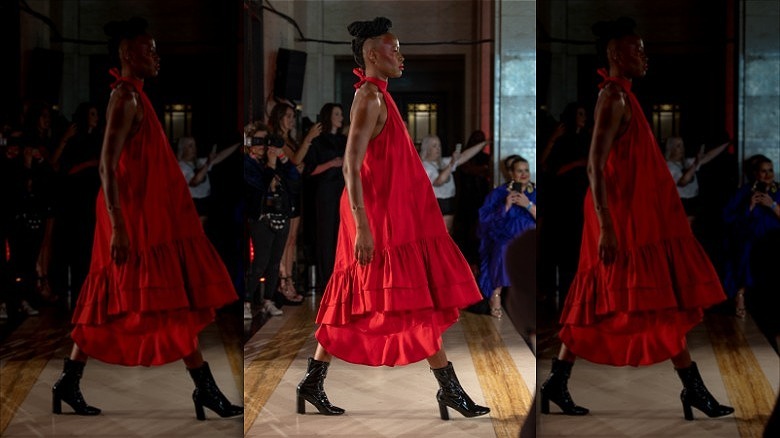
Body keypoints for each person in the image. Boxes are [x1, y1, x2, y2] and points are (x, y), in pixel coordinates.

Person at [295, 17, 489, 420]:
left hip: (394, 213)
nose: (401, 55)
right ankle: (448, 388)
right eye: (393, 48)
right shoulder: (369, 96)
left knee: (375, 297)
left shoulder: (380, 96)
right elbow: (350, 164)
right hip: (377, 217)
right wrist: (363, 224)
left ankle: (313, 381)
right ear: (371, 54)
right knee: (402, 295)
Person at [540, 17, 733, 421]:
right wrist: (607, 223)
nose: (645, 56)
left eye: (644, 49)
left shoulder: (624, 95)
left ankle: (558, 380)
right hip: (620, 216)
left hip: (638, 214)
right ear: (614, 54)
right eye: (637, 49)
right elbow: (594, 164)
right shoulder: (612, 96)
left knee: (636, 297)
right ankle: (692, 389)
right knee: (642, 297)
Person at [51, 17, 242, 420]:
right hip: (132, 217)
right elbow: (106, 164)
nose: (157, 56)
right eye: (149, 49)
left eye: (156, 49)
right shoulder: (125, 97)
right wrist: (118, 224)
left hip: (148, 214)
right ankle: (204, 388)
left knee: (144, 298)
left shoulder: (135, 95)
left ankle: (69, 380)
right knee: (153, 297)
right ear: (126, 54)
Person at [243, 122, 301, 318]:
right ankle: (247, 302)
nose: (262, 145)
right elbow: (259, 186)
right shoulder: (248, 163)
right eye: (257, 141)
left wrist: (282, 158)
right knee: (260, 262)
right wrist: (271, 164)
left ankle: (268, 300)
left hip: (281, 215)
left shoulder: (273, 160)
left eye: (265, 141)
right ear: (249, 142)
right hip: (261, 218)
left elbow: (294, 178)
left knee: (275, 262)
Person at [268, 103, 321, 301]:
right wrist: (308, 139)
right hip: (285, 194)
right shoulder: (278, 140)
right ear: (279, 118)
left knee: (292, 240)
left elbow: (299, 164)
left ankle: (288, 280)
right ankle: (284, 281)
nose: (291, 120)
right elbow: (295, 161)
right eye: (288, 116)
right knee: (284, 241)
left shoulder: (289, 139)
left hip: (295, 191)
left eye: (292, 116)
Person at [477, 155, 536, 318]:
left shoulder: (535, 191)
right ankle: (496, 294)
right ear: (511, 173)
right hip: (506, 235)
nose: (524, 174)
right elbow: (485, 219)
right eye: (519, 171)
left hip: (530, 236)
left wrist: (528, 204)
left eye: (526, 170)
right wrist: (506, 206)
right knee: (503, 248)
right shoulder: (499, 193)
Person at [722, 154, 780, 319]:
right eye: (763, 171)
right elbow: (728, 218)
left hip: (774, 236)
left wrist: (773, 205)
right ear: (756, 174)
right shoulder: (745, 191)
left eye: (770, 171)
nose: (768, 175)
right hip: (750, 236)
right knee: (745, 249)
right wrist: (750, 206)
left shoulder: (778, 190)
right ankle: (740, 294)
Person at [303, 103, 347, 290]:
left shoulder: (344, 140)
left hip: (343, 189)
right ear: (328, 116)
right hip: (325, 191)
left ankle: (342, 278)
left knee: (342, 234)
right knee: (326, 234)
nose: (341, 117)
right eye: (337, 113)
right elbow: (309, 169)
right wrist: (332, 163)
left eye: (341, 114)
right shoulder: (318, 141)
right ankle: (326, 280)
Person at [419, 134, 489, 234]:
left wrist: (483, 144)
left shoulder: (443, 162)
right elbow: (439, 181)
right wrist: (452, 163)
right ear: (427, 149)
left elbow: (464, 156)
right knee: (439, 235)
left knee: (448, 233)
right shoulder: (424, 166)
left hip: (449, 202)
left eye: (439, 145)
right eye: (434, 146)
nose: (438, 148)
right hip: (436, 203)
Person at [664, 136, 730, 226]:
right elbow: (683, 182)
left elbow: (708, 156)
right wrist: (696, 163)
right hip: (682, 203)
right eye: (678, 146)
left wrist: (726, 144)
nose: (682, 149)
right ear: (671, 148)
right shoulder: (669, 166)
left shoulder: (686, 162)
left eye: (682, 145)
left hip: (694, 200)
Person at [177, 136, 239, 229]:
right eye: (190, 146)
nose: (194, 149)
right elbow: (195, 181)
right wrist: (208, 162)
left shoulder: (199, 162)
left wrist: (239, 143)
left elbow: (220, 156)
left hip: (205, 201)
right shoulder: (181, 166)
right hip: (193, 204)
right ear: (183, 148)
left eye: (194, 145)